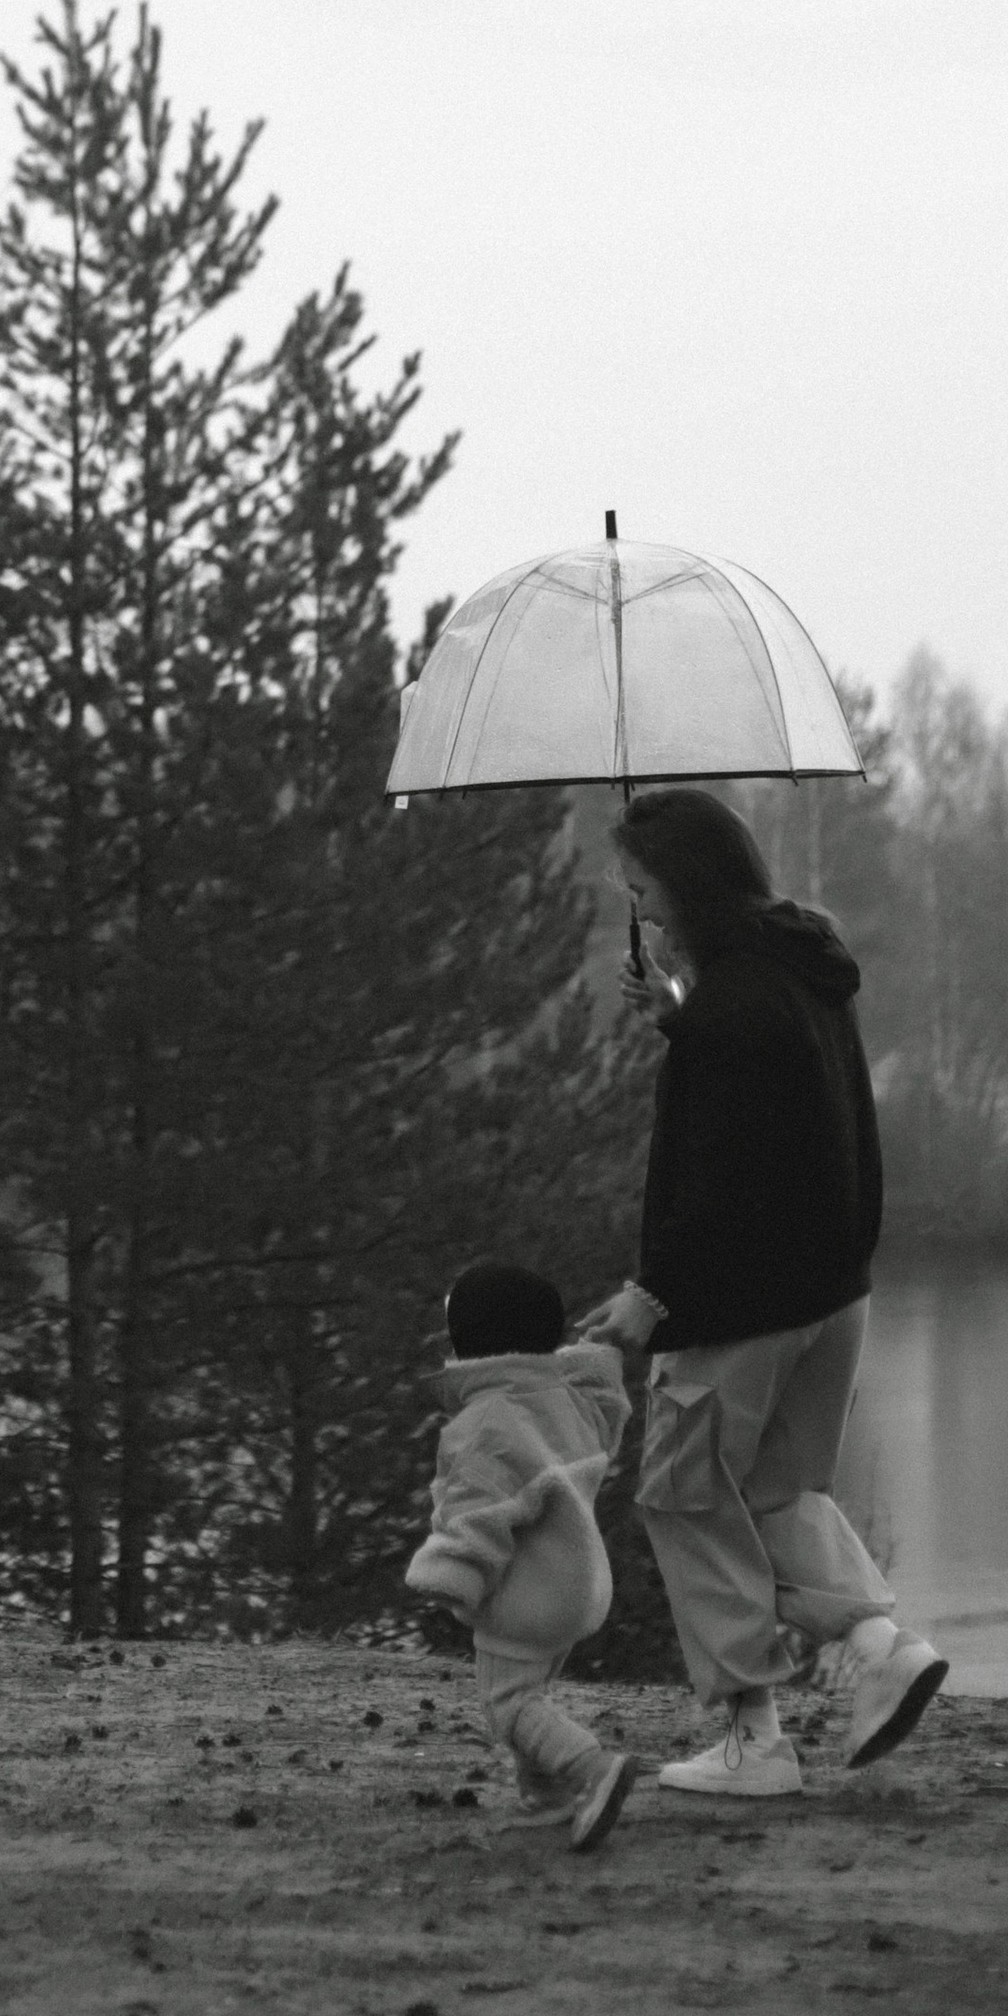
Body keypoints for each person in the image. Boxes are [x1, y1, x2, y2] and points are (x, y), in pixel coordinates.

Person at [578, 785, 946, 1800]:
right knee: (778, 1493)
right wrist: (680, 1022)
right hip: (833, 1296)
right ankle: (880, 1645)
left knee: (683, 1496)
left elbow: (720, 1177)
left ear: (688, 887)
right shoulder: (794, 977)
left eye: (644, 886)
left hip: (741, 1308)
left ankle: (752, 1737)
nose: (638, 907)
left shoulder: (734, 1012)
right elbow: (786, 1115)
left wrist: (653, 1296)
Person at [404, 1258, 637, 1852]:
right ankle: (547, 1797)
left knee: (507, 1705)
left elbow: (475, 1508)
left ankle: (591, 1771)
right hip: (581, 1587)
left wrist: (451, 1572)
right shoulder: (566, 1401)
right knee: (533, 1696)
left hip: (526, 1596)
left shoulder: (486, 1422)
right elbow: (607, 1409)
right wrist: (597, 1356)